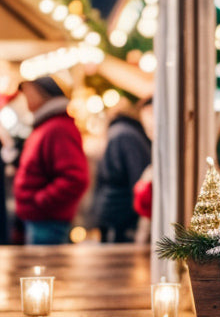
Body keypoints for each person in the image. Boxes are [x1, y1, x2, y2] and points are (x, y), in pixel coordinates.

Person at [13, 76, 90, 245]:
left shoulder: (58, 128)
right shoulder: (45, 126)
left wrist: (40, 200)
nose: (26, 99)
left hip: (48, 220)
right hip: (39, 218)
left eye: (29, 93)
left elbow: (75, 177)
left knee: (46, 268)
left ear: (43, 94)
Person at [92, 97, 152, 243]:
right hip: (119, 210)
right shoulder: (127, 133)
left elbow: (136, 177)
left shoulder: (122, 134)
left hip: (119, 211)